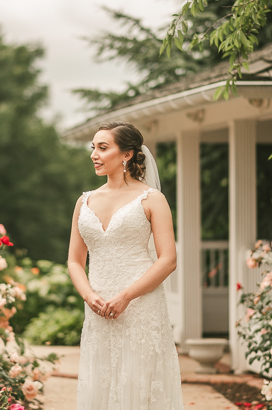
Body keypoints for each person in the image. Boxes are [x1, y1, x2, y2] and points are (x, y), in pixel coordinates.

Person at [67, 121, 184, 409]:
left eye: (103, 147)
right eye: (93, 147)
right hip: (98, 306)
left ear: (127, 155)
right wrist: (88, 295)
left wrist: (126, 296)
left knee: (138, 382)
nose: (94, 154)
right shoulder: (84, 202)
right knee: (102, 381)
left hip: (140, 305)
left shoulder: (152, 199)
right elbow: (74, 261)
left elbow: (168, 260)